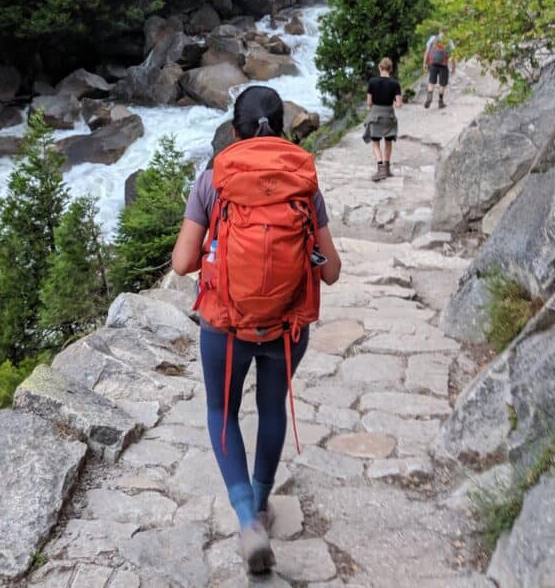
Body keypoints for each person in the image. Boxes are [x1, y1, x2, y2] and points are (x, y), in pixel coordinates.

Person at [171, 85, 341, 575]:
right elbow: (330, 270)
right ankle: (263, 504)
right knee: (271, 409)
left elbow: (183, 262)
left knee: (221, 411)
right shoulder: (303, 181)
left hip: (225, 324)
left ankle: (247, 519)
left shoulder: (213, 177)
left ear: (235, 128)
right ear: (281, 127)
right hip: (287, 326)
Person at [363, 57, 402, 181]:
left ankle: (380, 169)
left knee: (375, 143)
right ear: (390, 69)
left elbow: (369, 102)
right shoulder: (395, 83)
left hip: (376, 116)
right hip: (389, 115)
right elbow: (399, 104)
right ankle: (387, 169)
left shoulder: (372, 82)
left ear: (380, 67)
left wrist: (371, 107)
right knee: (388, 142)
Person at [423, 29, 456, 109]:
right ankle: (440, 102)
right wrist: (453, 67)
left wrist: (424, 63)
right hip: (443, 65)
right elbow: (453, 55)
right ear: (446, 32)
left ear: (439, 31)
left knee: (431, 81)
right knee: (442, 83)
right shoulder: (449, 41)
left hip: (433, 63)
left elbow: (427, 51)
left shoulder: (433, 38)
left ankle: (429, 97)